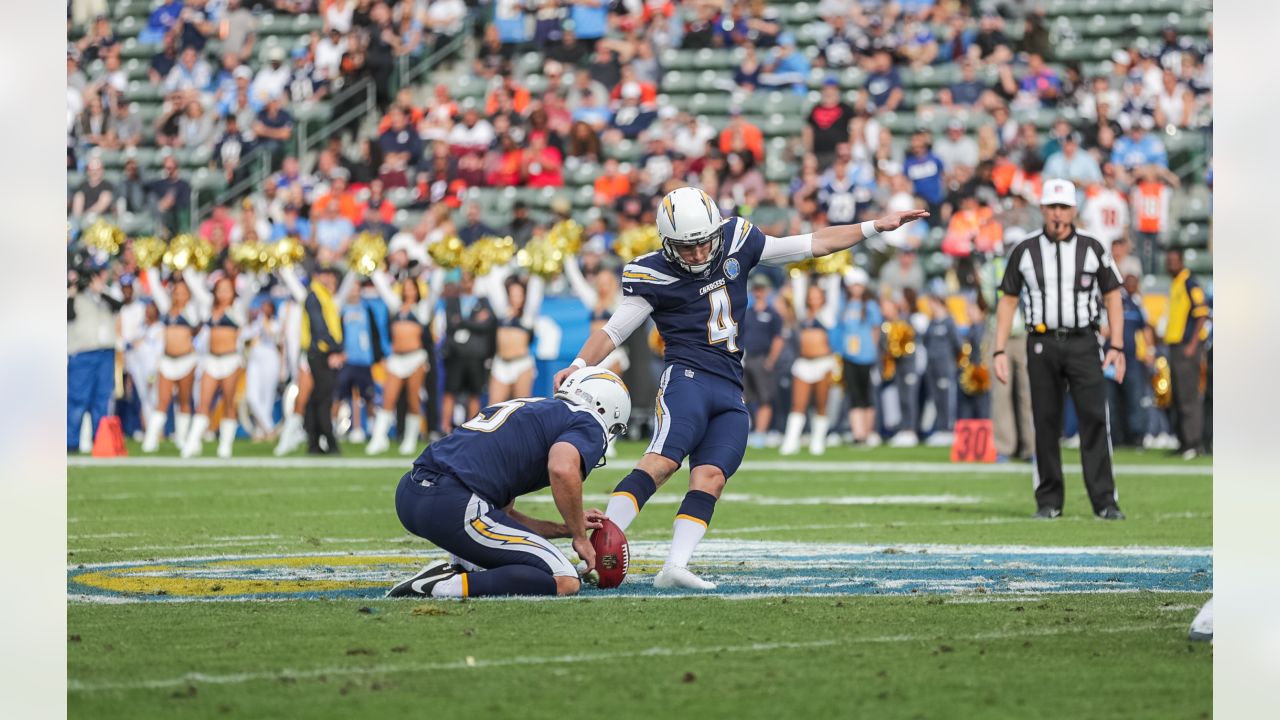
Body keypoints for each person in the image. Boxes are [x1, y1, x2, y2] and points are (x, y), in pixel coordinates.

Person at [552, 186, 927, 589]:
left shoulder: (737, 239)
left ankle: (675, 566)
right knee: (662, 462)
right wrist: (577, 364)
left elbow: (812, 243)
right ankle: (602, 544)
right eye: (686, 247)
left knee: (712, 476)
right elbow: (613, 331)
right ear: (668, 243)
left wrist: (873, 226)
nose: (697, 254)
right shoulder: (654, 274)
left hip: (731, 386)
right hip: (687, 380)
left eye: (702, 244)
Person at [386, 367, 631, 598]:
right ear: (606, 410)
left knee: (494, 548)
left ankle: (462, 567)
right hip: (453, 504)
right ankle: (440, 585)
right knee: (565, 579)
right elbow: (562, 468)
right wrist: (579, 536)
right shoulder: (588, 420)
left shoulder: (533, 410)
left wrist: (566, 527)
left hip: (411, 494)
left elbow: (502, 515)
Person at [993, 179, 1127, 520]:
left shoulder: (1093, 247)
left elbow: (1112, 294)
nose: (1057, 214)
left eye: (1063, 207)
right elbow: (1008, 300)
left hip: (1084, 341)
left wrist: (1117, 345)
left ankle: (1105, 501)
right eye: (1052, 207)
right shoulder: (1024, 250)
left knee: (1094, 420)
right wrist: (998, 350)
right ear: (1042, 209)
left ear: (1073, 210)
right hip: (1041, 342)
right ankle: (1049, 500)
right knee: (1046, 421)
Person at [369, 266, 443, 454]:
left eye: (412, 287)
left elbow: (435, 290)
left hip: (416, 358)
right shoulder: (396, 306)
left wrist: (440, 268)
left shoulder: (422, 309)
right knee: (388, 398)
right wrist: (372, 268)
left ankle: (410, 439)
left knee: (413, 399)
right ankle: (379, 438)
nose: (408, 290)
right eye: (406, 287)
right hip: (396, 359)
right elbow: (384, 290)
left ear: (417, 290)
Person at [181, 272, 256, 458]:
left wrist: (254, 270)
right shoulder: (209, 307)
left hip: (231, 360)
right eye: (220, 290)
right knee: (203, 402)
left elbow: (248, 292)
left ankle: (225, 445)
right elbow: (196, 289)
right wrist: (187, 268)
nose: (223, 294)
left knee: (229, 402)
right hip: (211, 360)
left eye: (227, 290)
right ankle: (192, 442)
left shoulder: (238, 308)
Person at [141, 266, 205, 452]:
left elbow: (201, 294)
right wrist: (151, 264)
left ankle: (182, 437)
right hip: (167, 361)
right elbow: (155, 286)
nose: (180, 296)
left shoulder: (193, 311)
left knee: (184, 400)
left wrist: (188, 271)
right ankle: (151, 438)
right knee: (162, 399)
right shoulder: (166, 308)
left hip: (187, 360)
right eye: (176, 292)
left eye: (183, 292)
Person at [779, 274, 839, 456]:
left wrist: (833, 273)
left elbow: (834, 293)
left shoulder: (827, 314)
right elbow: (798, 292)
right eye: (811, 296)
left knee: (821, 404)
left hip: (824, 363)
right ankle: (791, 441)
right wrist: (798, 273)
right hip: (804, 363)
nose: (813, 299)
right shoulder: (802, 314)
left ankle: (818, 441)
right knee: (798, 404)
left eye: (817, 296)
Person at [67, 259, 122, 452]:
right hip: (82, 352)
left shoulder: (105, 295)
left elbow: (119, 305)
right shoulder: (74, 296)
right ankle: (70, 442)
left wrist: (100, 291)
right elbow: (68, 315)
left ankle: (100, 441)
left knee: (101, 399)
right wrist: (72, 291)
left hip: (106, 352)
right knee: (77, 399)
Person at [1163, 249, 1210, 459]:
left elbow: (1201, 313)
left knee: (1189, 396)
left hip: (1185, 347)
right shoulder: (1176, 283)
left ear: (1182, 262)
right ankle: (1183, 441)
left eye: (1174, 261)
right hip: (1174, 346)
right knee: (1179, 397)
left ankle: (1194, 442)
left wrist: (1193, 344)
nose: (1171, 265)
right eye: (1169, 261)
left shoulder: (1190, 283)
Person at [440, 272, 498, 434]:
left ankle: (472, 429)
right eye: (464, 280)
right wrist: (474, 321)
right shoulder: (452, 301)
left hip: (475, 356)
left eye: (469, 280)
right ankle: (444, 429)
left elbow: (487, 325)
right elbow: (450, 325)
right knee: (450, 392)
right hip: (456, 355)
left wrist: (463, 322)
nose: (466, 284)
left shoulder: (483, 301)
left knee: (475, 393)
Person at [835, 268, 882, 447]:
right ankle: (858, 434)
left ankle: (868, 432)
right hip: (849, 355)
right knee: (854, 394)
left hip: (866, 355)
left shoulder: (870, 305)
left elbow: (875, 329)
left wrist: (872, 350)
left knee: (867, 394)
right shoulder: (844, 304)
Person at [485, 268, 546, 404]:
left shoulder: (527, 316)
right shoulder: (502, 312)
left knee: (521, 408)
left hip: (521, 364)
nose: (516, 298)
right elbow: (493, 285)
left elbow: (536, 290)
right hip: (500, 364)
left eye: (519, 295)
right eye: (513, 295)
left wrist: (537, 265)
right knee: (493, 408)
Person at [303, 266, 345, 455]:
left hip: (321, 352)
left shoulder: (324, 296)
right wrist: (336, 349)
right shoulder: (315, 296)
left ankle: (314, 442)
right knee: (324, 399)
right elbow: (319, 328)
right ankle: (329, 441)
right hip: (321, 353)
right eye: (325, 274)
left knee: (317, 398)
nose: (329, 279)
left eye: (331, 275)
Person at [742, 274, 784, 449]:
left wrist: (771, 359)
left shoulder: (773, 314)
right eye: (756, 289)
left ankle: (761, 432)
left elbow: (778, 338)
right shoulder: (747, 312)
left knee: (764, 397)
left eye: (761, 289)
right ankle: (751, 430)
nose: (758, 292)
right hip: (747, 357)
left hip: (762, 357)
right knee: (747, 397)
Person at [922, 280, 962, 447]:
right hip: (931, 365)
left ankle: (948, 428)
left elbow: (957, 344)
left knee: (947, 397)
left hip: (945, 366)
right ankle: (940, 428)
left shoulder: (949, 321)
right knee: (936, 397)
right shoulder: (931, 322)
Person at [243, 299, 284, 441]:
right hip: (254, 362)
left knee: (267, 398)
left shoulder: (275, 325)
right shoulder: (254, 325)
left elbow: (276, 339)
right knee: (252, 397)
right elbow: (244, 339)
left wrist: (263, 324)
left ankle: (261, 431)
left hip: (271, 361)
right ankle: (269, 427)